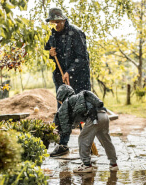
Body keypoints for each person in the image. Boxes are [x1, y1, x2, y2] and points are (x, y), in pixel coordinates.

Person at [44, 7, 91, 156]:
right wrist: (51, 53)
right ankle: (63, 145)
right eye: (53, 22)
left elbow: (83, 58)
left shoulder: (76, 33)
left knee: (81, 109)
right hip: (61, 79)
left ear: (64, 20)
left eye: (58, 22)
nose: (56, 25)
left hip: (78, 78)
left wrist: (69, 71)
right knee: (63, 110)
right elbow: (47, 48)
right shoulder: (52, 34)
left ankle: (87, 145)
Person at [53, 84, 118, 172]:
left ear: (61, 96)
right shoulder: (78, 99)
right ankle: (113, 163)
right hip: (103, 115)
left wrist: (62, 131)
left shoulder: (67, 101)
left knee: (83, 139)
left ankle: (86, 165)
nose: (60, 103)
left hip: (93, 118)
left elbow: (64, 118)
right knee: (106, 141)